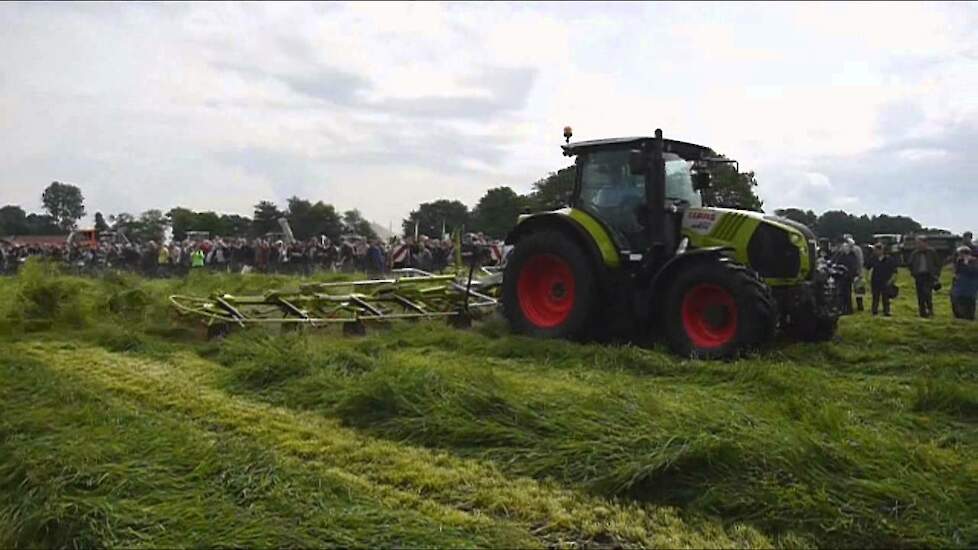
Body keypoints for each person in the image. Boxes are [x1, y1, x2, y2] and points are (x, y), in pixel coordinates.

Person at [907, 236, 941, 318]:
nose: (918, 245)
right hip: (919, 276)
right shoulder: (915, 253)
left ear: (925, 243)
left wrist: (936, 274)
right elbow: (909, 264)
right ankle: (922, 312)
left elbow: (938, 264)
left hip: (929, 275)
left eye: (919, 243)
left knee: (927, 294)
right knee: (920, 295)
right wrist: (913, 273)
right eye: (917, 243)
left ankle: (930, 310)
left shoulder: (932, 252)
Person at [865, 243, 898, 316]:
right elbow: (867, 268)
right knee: (875, 297)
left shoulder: (889, 259)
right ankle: (874, 311)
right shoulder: (873, 259)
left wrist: (891, 281)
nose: (875, 252)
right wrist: (867, 279)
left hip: (886, 281)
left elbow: (894, 271)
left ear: (881, 250)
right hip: (875, 281)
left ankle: (886, 311)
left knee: (885, 297)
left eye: (876, 250)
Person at [831, 238, 860, 315]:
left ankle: (848, 309)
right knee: (840, 293)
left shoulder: (852, 255)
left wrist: (854, 275)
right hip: (840, 276)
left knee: (847, 293)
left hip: (848, 277)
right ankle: (841, 308)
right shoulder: (840, 254)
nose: (844, 247)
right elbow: (833, 261)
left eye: (846, 246)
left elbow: (854, 266)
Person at [950, 246, 978, 320]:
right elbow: (957, 272)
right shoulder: (960, 261)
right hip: (960, 286)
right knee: (958, 301)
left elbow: (973, 271)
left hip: (970, 286)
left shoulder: (974, 261)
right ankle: (960, 318)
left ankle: (970, 318)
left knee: (969, 303)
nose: (960, 256)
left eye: (961, 254)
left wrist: (966, 263)